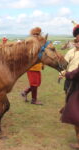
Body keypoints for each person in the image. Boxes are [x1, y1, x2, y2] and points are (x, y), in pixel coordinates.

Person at [60, 21, 79, 149]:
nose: (77, 38)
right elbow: (64, 63)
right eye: (77, 36)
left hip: (75, 80)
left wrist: (67, 74)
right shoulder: (71, 52)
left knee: (75, 110)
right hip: (72, 82)